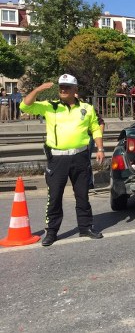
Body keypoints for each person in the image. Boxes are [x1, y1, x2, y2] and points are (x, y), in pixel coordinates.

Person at [20, 74, 105, 246]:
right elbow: (25, 106)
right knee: (55, 196)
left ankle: (85, 227)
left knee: (82, 195)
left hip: (80, 157)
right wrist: (37, 89)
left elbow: (95, 127)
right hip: (58, 159)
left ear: (75, 90)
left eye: (67, 87)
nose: (63, 90)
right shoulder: (50, 107)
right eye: (61, 87)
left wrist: (100, 148)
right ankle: (51, 232)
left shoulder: (87, 108)